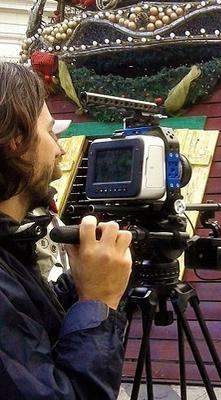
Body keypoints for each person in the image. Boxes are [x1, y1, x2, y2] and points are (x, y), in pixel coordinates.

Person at [0, 62, 133, 399]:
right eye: (51, 133)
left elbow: (29, 334)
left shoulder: (9, 249)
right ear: (16, 139)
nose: (60, 149)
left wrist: (80, 284)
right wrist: (98, 301)